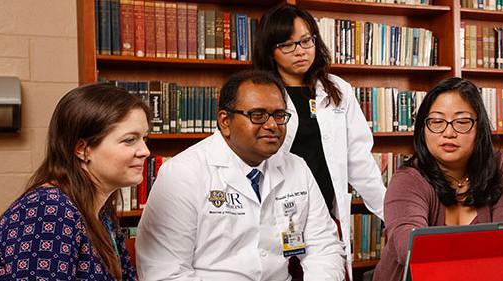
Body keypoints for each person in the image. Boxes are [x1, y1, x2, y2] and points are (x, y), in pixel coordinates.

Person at [135, 70, 345, 280]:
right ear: (225, 121)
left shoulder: (297, 167)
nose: (272, 125)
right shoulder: (183, 173)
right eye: (258, 115)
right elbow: (165, 273)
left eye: (279, 115)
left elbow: (324, 247)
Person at [252, 4, 387, 273]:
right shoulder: (257, 92)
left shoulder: (337, 90)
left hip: (324, 215)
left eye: (306, 40)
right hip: (274, 219)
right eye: (287, 45)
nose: (301, 50)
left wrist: (393, 214)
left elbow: (359, 161)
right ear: (270, 50)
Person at [0, 83, 147, 280]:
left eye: (145, 138)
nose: (145, 150)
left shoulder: (101, 212)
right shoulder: (48, 208)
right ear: (82, 149)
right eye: (130, 140)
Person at [373, 77, 503, 281]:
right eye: (437, 122)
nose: (449, 132)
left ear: (479, 127)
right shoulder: (407, 180)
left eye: (462, 122)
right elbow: (411, 249)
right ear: (423, 129)